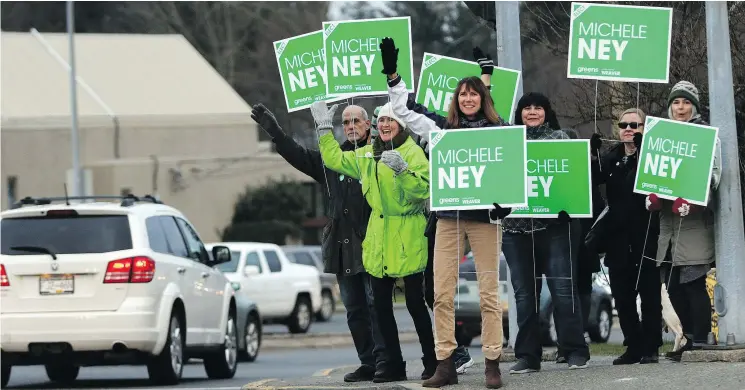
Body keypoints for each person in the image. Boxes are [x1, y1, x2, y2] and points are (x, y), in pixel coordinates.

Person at [381, 38, 506, 389]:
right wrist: (393, 75)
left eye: (475, 94)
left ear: (483, 99)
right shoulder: (442, 130)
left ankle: (493, 363)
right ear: (456, 100)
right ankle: (445, 363)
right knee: (441, 293)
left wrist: (506, 202)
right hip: (449, 217)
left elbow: (513, 170)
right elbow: (405, 111)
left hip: (485, 219)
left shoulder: (499, 132)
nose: (468, 99)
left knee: (488, 294)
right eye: (463, 95)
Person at [249, 103, 386, 382]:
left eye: (355, 121)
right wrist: (275, 132)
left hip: (373, 244)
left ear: (368, 124)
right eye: (345, 122)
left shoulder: (378, 156)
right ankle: (368, 363)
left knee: (377, 308)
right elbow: (298, 156)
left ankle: (386, 361)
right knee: (354, 310)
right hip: (342, 247)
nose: (350, 126)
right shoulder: (329, 159)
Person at [310, 96, 436, 383]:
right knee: (380, 307)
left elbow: (423, 190)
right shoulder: (368, 154)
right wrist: (324, 128)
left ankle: (433, 361)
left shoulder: (412, 151)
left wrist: (403, 171)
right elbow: (333, 159)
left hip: (407, 236)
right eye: (381, 121)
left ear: (401, 124)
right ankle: (392, 363)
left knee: (416, 305)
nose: (385, 125)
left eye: (390, 120)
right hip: (379, 239)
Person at [499, 92, 591, 374]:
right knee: (525, 295)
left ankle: (574, 349)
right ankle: (528, 355)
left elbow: (572, 176)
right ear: (519, 114)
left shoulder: (560, 139)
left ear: (547, 111)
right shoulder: (506, 142)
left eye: (538, 107)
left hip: (553, 227)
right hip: (515, 230)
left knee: (563, 290)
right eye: (527, 108)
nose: (532, 112)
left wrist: (571, 204)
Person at [644, 80, 721, 361]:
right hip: (670, 229)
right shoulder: (661, 137)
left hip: (694, 226)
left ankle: (700, 339)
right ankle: (688, 339)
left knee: (693, 285)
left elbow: (714, 177)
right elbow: (657, 174)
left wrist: (695, 202)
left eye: (686, 102)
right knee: (674, 287)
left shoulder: (705, 136)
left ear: (695, 106)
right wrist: (653, 198)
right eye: (676, 102)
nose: (681, 107)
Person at [591, 108, 663, 365]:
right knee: (622, 297)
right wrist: (593, 154)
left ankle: (651, 346)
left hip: (646, 234)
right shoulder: (611, 158)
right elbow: (591, 178)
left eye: (635, 124)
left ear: (644, 128)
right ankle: (633, 345)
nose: (629, 129)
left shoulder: (653, 157)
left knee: (650, 293)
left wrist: (644, 153)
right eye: (623, 124)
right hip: (618, 238)